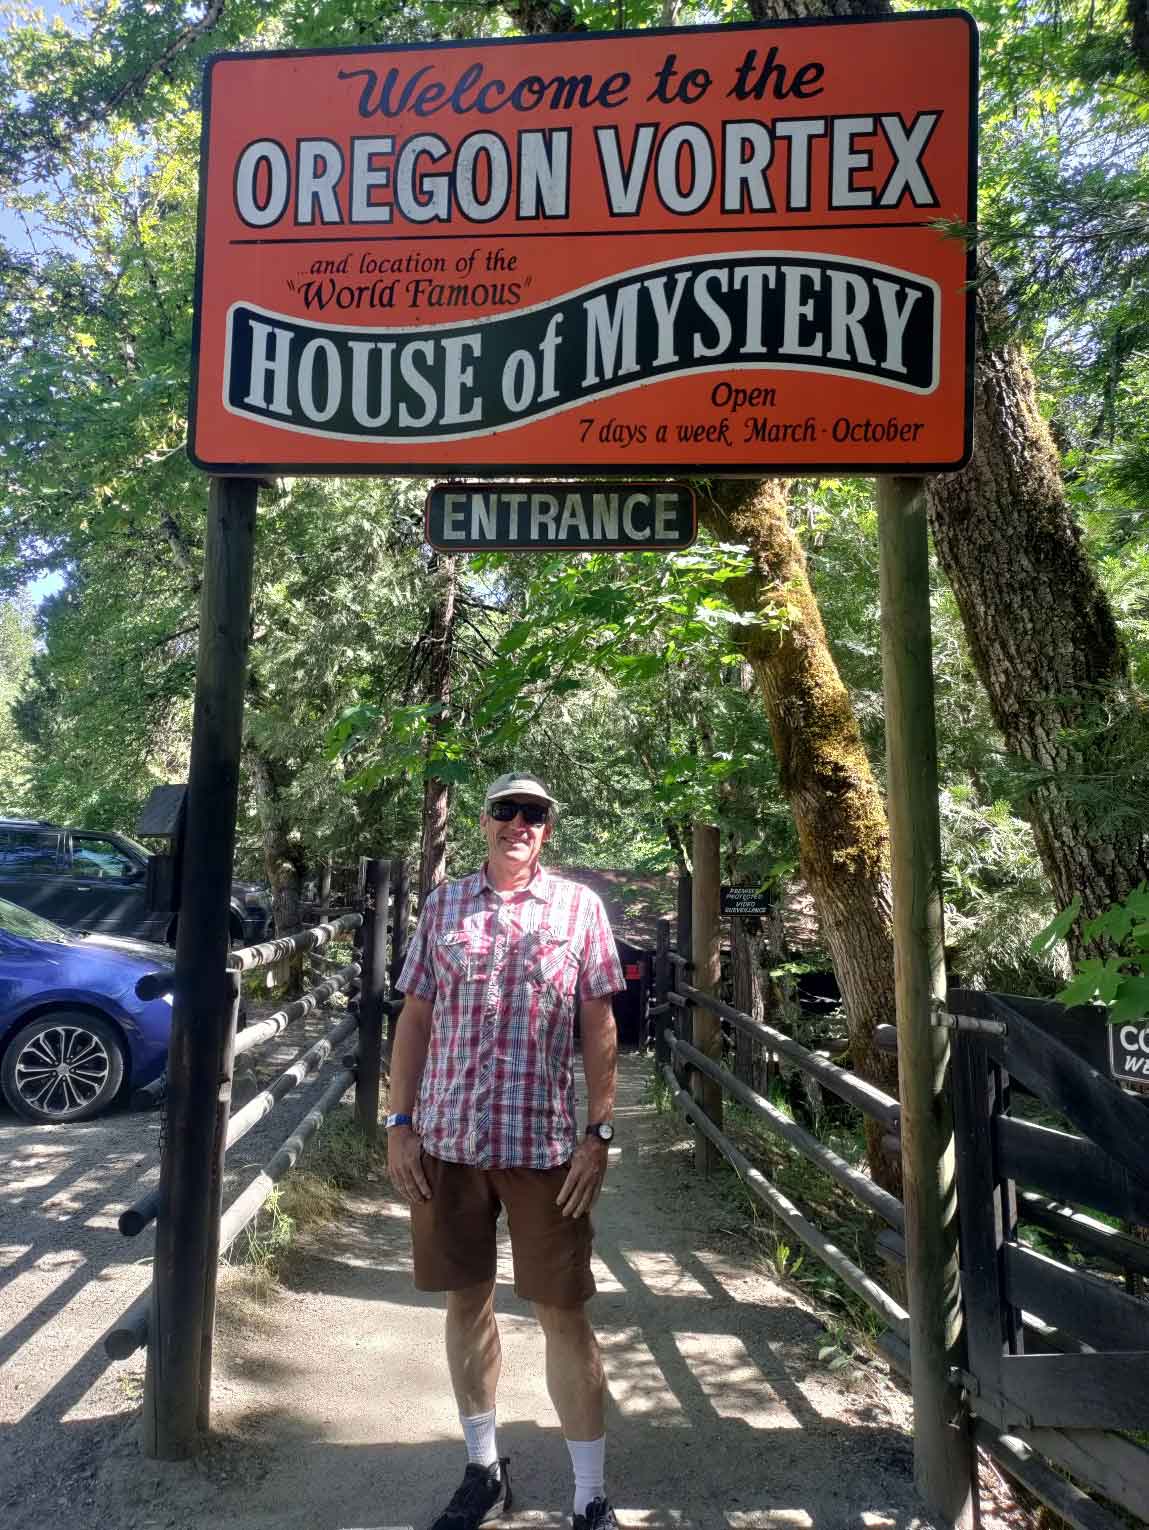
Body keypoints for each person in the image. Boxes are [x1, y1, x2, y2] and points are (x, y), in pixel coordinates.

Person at [388, 770, 625, 1530]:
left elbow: (598, 1024)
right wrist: (399, 1123)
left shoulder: (580, 908)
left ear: (546, 830)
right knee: (465, 1304)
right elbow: (415, 1018)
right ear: (483, 822)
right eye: (505, 811)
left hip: (545, 1147)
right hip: (448, 1142)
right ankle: (483, 1470)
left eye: (534, 814)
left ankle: (590, 1495)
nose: (519, 823)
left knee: (563, 1312)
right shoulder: (444, 904)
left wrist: (600, 1131)